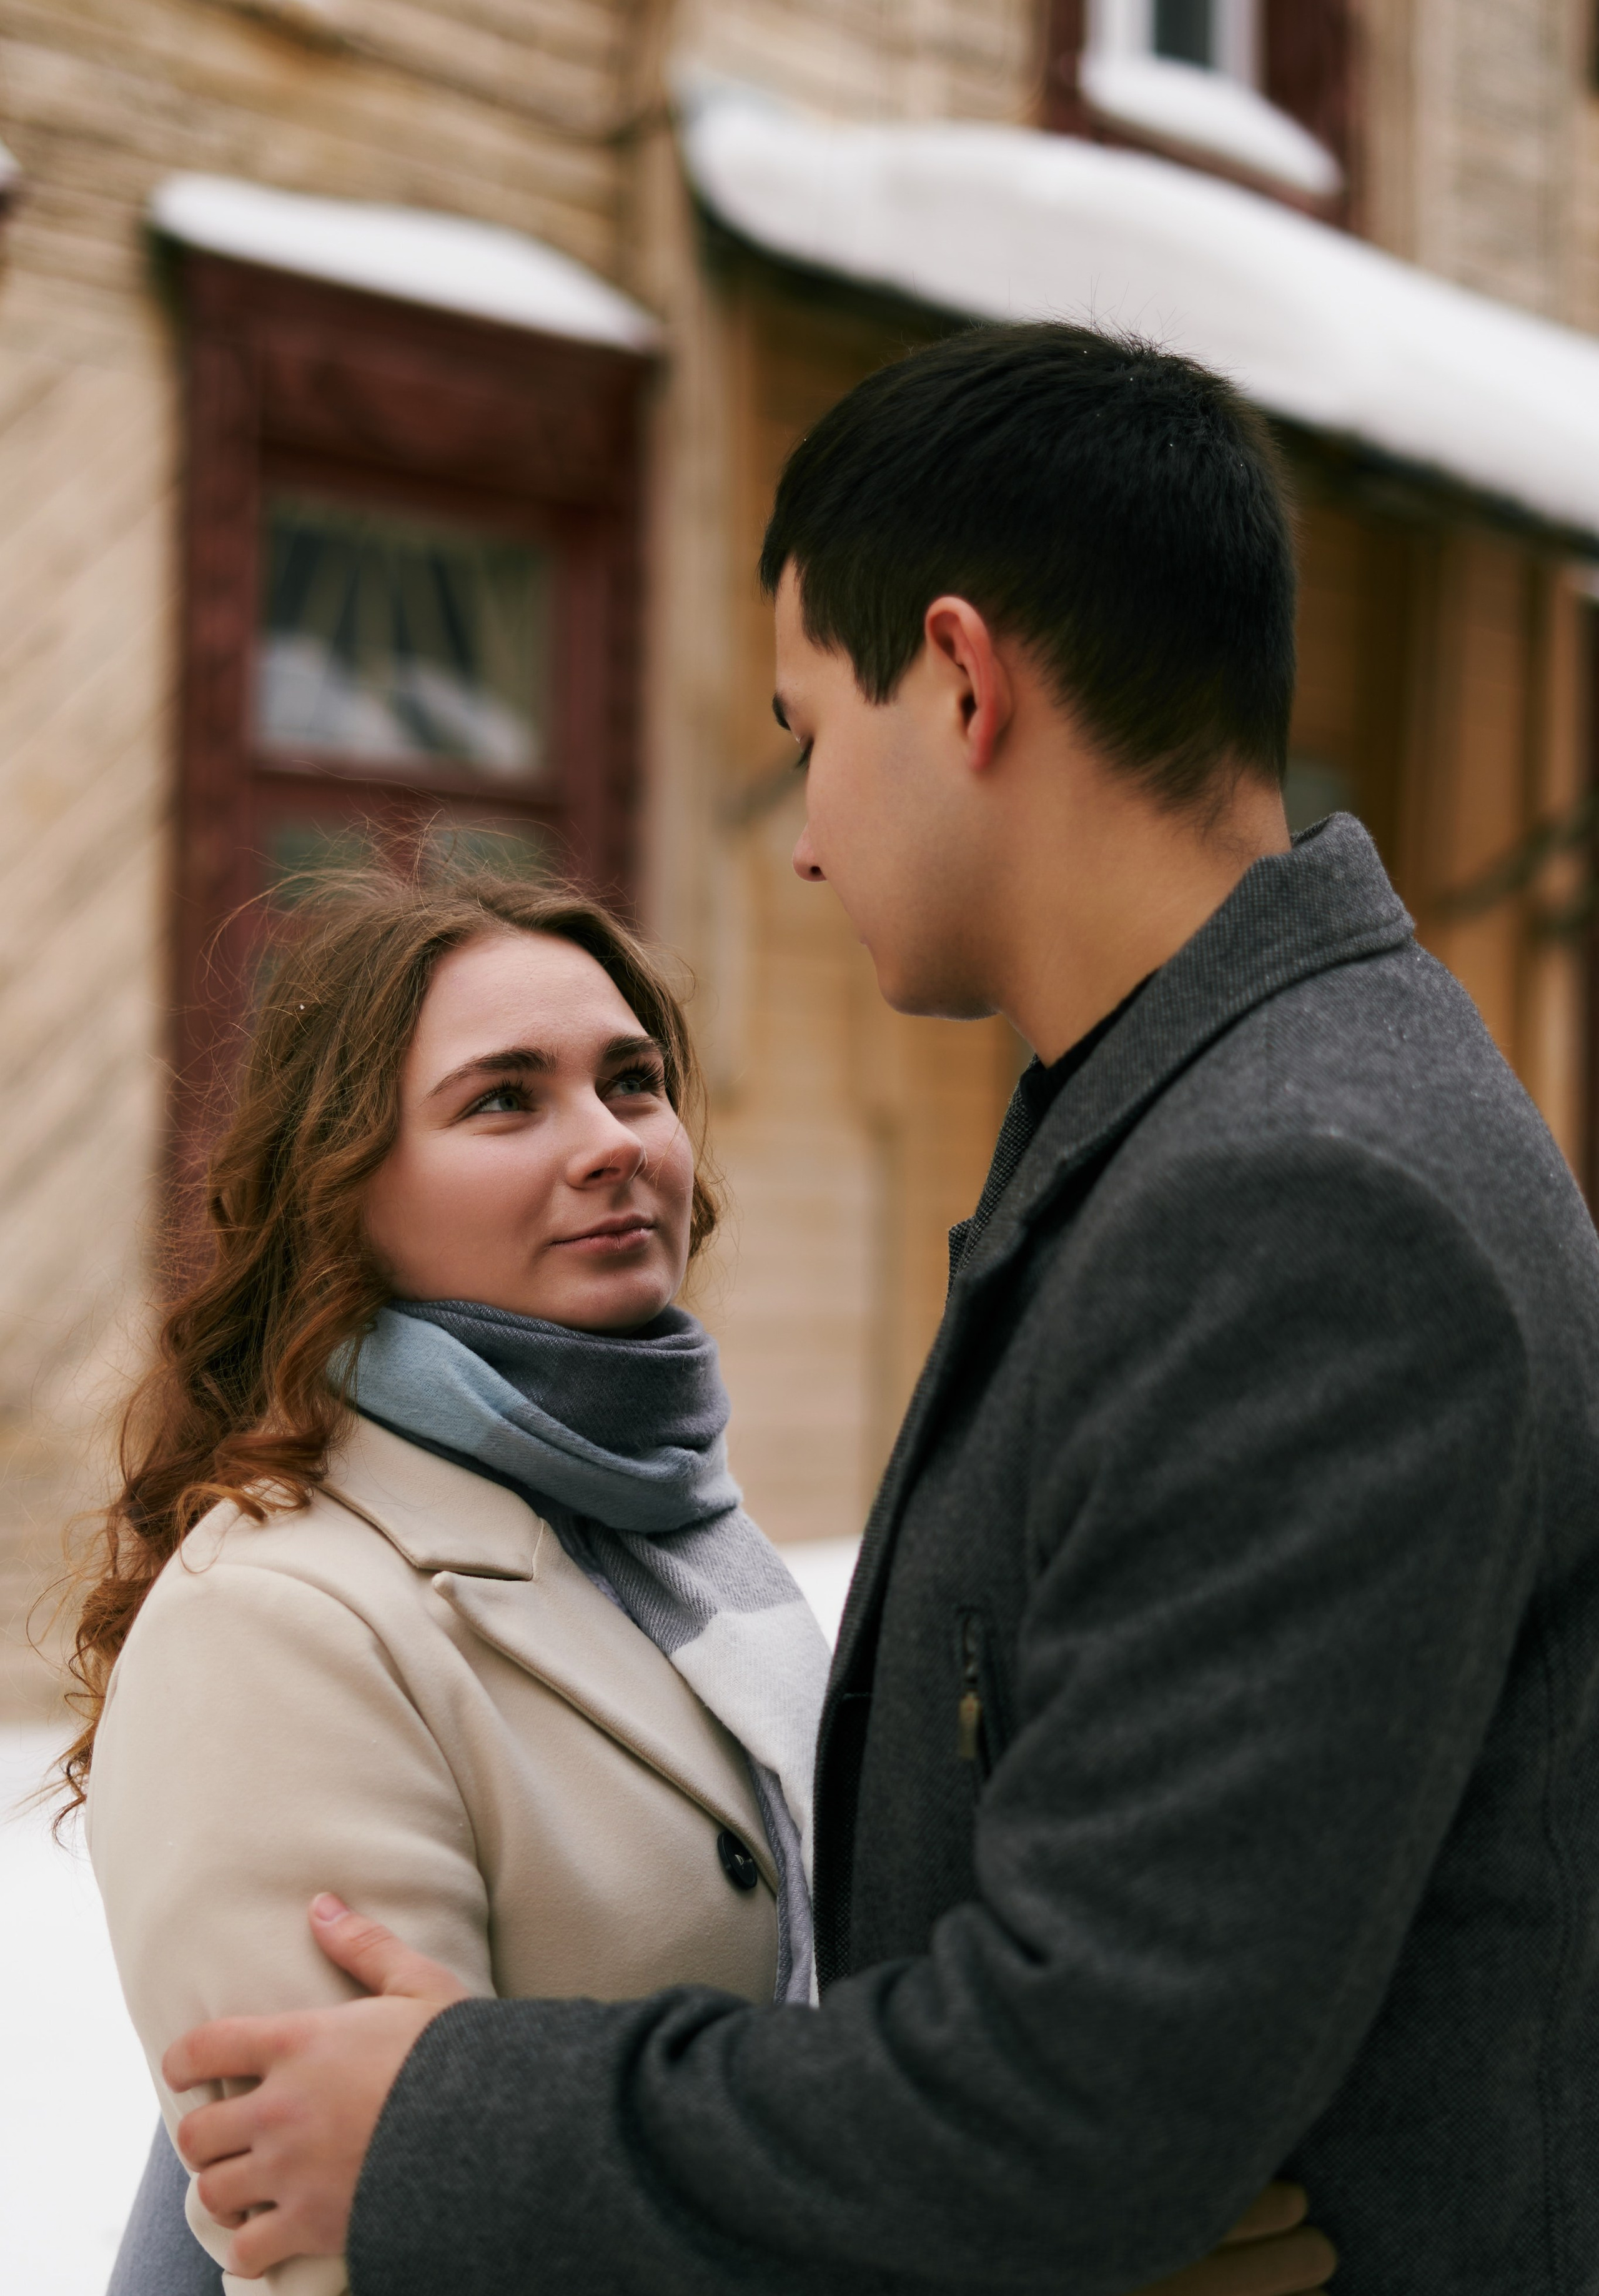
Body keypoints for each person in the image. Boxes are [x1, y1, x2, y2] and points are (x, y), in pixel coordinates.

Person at [161, 324, 1599, 2295]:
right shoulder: (1212, 1124)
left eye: (805, 728)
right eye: (502, 1098)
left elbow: (1080, 2101)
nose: (811, 827)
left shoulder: (1297, 1194)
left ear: (961, 676)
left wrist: (448, 2120)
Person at [83, 865, 1327, 2296]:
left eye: (633, 1081)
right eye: (505, 1098)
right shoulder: (275, 1625)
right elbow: (369, 2257)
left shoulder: (675, 1533)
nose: (611, 1142)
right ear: (342, 1188)